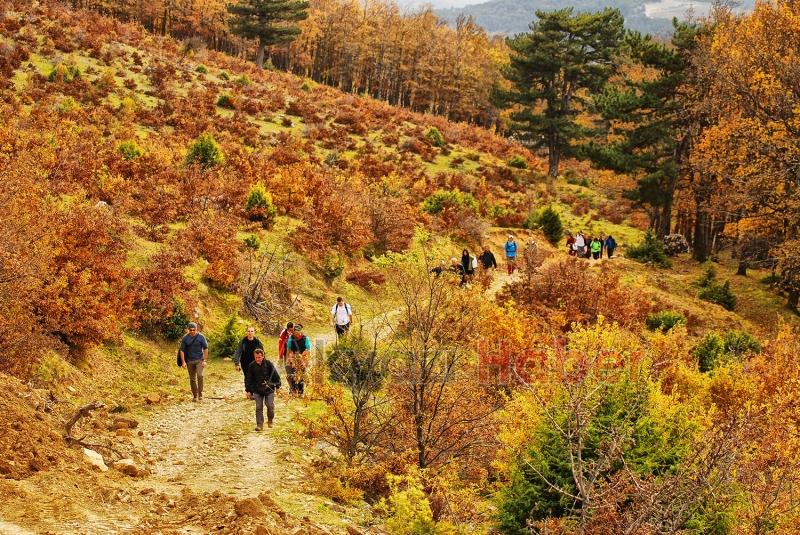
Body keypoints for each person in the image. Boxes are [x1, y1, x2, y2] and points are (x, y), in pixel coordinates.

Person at [245, 349, 281, 431]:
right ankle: (259, 425)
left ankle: (270, 420)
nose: (258, 359)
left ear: (263, 356)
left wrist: (278, 386)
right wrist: (248, 390)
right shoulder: (251, 366)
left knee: (270, 406)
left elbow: (275, 375)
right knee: (258, 407)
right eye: (256, 357)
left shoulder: (268, 364)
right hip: (257, 390)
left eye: (259, 357)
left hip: (269, 389)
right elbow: (248, 379)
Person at [179, 322, 209, 402]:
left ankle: (200, 394)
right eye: (190, 330)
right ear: (188, 330)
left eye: (194, 330)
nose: (192, 331)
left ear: (196, 329)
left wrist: (205, 360)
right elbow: (182, 350)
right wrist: (183, 362)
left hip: (199, 360)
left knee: (200, 375)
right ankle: (195, 395)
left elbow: (206, 349)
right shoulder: (185, 338)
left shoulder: (201, 337)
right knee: (192, 379)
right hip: (189, 361)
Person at [234, 326, 264, 390]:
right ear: (246, 332)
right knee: (247, 377)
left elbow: (262, 353)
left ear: (254, 332)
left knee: (255, 376)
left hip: (255, 362)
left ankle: (255, 391)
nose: (250, 333)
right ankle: (248, 391)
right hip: (245, 363)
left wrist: (263, 363)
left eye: (251, 331)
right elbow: (238, 352)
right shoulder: (243, 342)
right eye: (249, 331)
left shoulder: (257, 342)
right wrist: (237, 364)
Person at [286, 324, 311, 396]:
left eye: (297, 332)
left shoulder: (305, 339)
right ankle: (293, 390)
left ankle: (300, 391)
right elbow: (289, 350)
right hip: (293, 357)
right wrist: (290, 360)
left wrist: (305, 361)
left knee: (301, 374)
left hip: (303, 358)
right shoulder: (291, 338)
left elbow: (307, 350)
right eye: (295, 332)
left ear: (300, 331)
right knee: (292, 373)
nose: (296, 334)